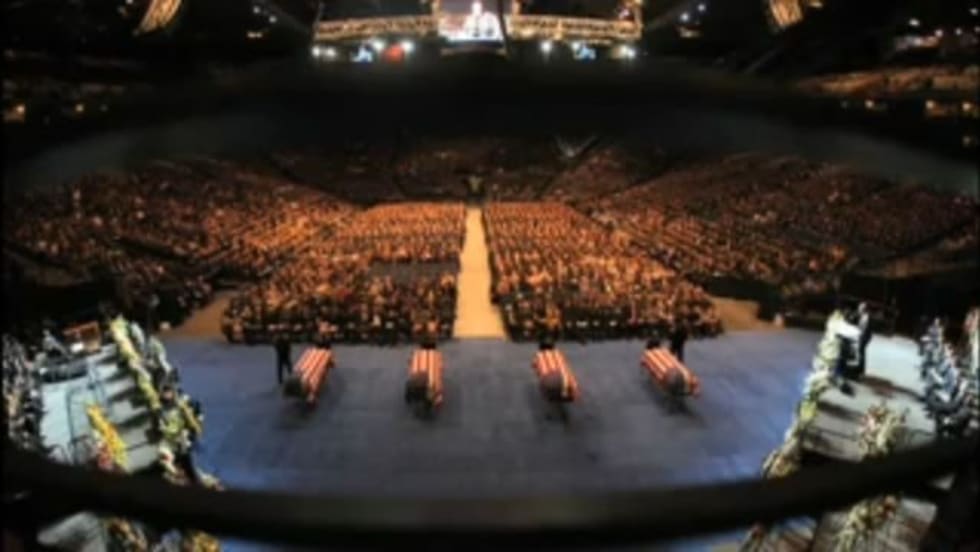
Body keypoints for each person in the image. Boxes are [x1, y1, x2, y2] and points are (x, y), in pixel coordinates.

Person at [856, 302, 872, 378]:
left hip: (865, 337)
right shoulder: (863, 316)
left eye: (859, 308)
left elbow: (864, 329)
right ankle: (860, 368)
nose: (858, 310)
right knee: (861, 352)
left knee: (861, 352)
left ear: (863, 309)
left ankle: (861, 370)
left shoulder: (865, 318)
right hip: (864, 336)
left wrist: (860, 336)